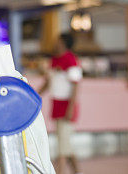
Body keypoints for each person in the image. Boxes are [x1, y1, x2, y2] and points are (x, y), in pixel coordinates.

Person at [38, 32, 82, 174]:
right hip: (57, 106)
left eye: (58, 41)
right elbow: (48, 83)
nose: (55, 43)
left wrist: (70, 108)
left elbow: (75, 86)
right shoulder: (54, 61)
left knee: (62, 148)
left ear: (63, 43)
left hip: (67, 106)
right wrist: (35, 95)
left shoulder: (71, 60)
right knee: (65, 144)